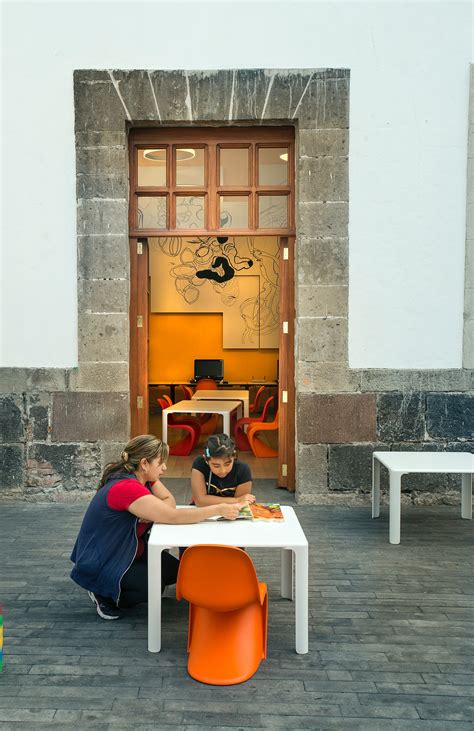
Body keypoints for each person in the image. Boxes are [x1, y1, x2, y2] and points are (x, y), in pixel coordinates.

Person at [70, 435, 242, 620]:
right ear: (144, 463)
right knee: (151, 588)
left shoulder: (145, 479)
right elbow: (174, 516)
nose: (165, 468)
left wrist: (155, 511)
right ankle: (103, 593)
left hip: (128, 551)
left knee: (178, 572)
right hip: (106, 559)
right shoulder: (126, 488)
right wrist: (218, 509)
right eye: (161, 463)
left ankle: (121, 583)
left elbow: (170, 502)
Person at [191, 434, 255, 506]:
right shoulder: (200, 464)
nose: (223, 470)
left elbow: (241, 504)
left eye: (227, 464)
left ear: (234, 457)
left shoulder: (243, 469)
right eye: (216, 466)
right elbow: (200, 501)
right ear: (206, 460)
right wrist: (236, 500)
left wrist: (207, 500)